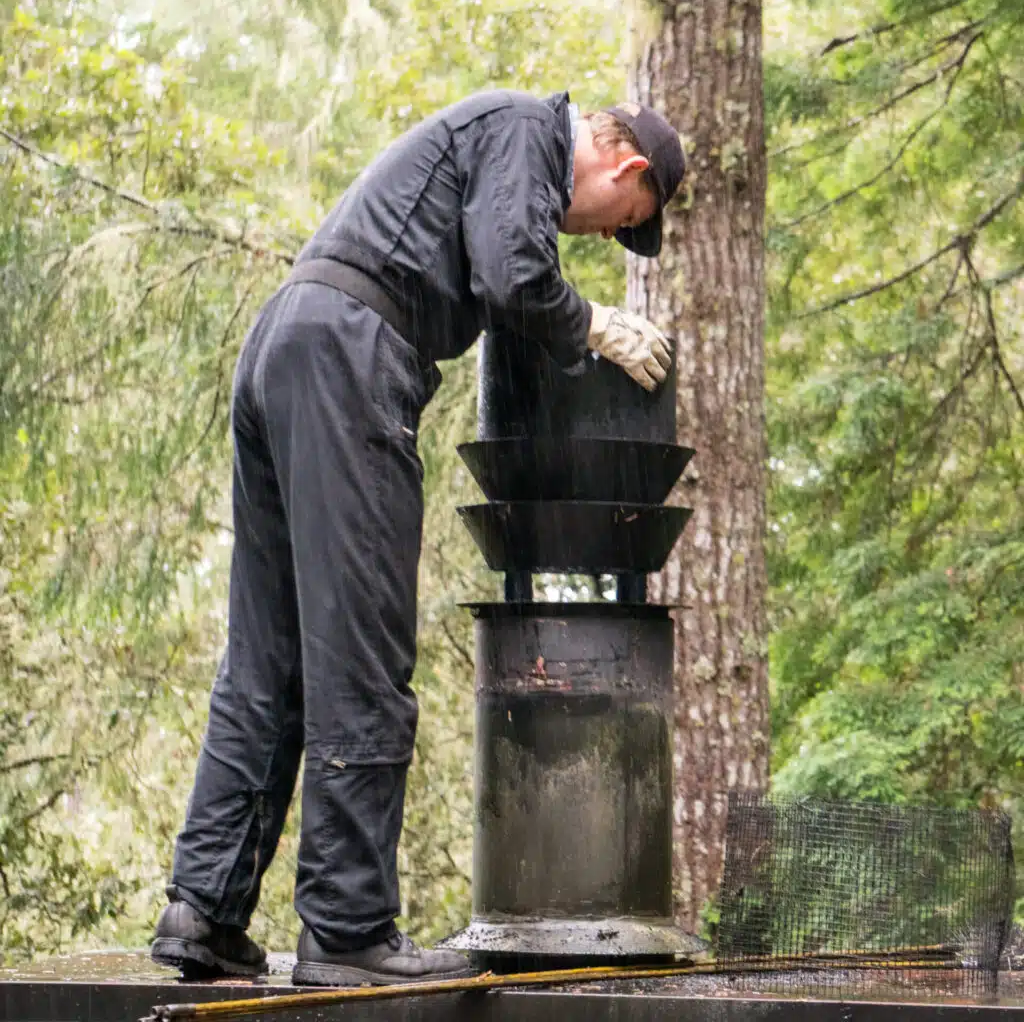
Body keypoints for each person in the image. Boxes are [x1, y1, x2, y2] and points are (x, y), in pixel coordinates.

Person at [150, 89, 686, 988]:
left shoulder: (494, 148)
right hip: (349, 357)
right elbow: (514, 275)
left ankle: (202, 911)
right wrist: (595, 324)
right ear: (624, 166)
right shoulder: (528, 128)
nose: (595, 239)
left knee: (270, 658)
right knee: (363, 656)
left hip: (288, 343)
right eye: (615, 223)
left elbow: (499, 269)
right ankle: (348, 928)